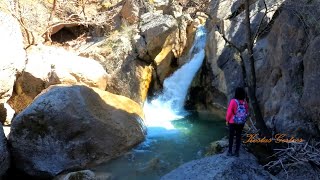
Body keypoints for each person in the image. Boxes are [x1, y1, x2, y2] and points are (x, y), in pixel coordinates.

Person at [226, 87, 249, 157]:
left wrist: (227, 120)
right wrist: (243, 120)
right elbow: (247, 113)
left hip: (232, 122)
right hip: (241, 123)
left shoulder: (233, 101)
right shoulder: (245, 103)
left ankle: (230, 151)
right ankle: (237, 152)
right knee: (238, 136)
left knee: (231, 136)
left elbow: (229, 112)